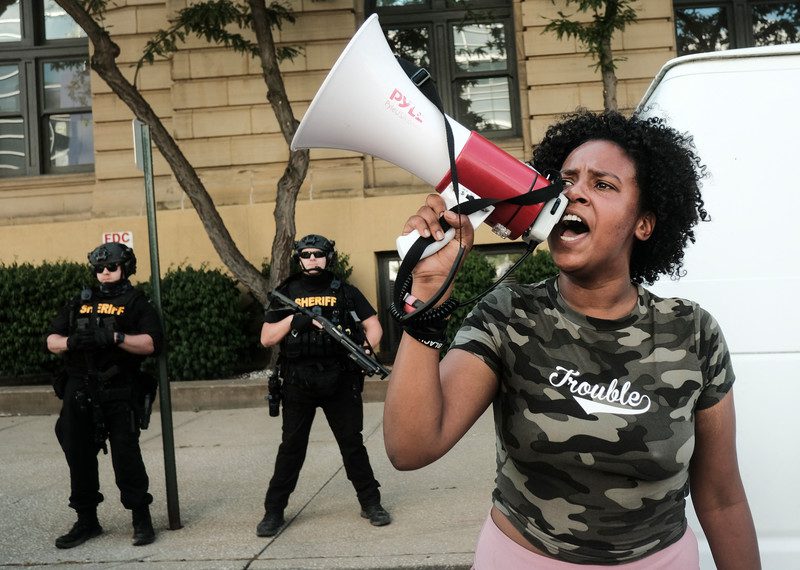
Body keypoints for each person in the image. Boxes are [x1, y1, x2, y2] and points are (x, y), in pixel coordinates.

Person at [384, 111, 761, 569]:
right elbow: (410, 447)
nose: (574, 192)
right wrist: (424, 298)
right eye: (566, 180)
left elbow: (722, 500)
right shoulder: (509, 316)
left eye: (603, 185)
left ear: (643, 223)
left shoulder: (693, 333)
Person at [256, 234, 391, 537]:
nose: (312, 259)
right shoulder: (286, 292)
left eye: (318, 254)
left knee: (352, 445)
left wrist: (365, 352)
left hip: (340, 379)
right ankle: (273, 512)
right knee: (291, 448)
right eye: (306, 255)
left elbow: (373, 326)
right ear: (299, 258)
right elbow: (267, 337)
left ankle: (371, 503)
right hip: (297, 381)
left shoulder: (344, 291)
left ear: (328, 257)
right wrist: (294, 322)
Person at [46, 243, 163, 549]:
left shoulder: (136, 302)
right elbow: (51, 340)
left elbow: (151, 343)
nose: (105, 273)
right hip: (79, 388)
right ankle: (86, 520)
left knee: (126, 455)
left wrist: (116, 337)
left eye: (111, 267)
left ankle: (141, 518)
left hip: (119, 388)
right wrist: (71, 342)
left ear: (126, 268)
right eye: (100, 269)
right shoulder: (79, 302)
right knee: (78, 453)